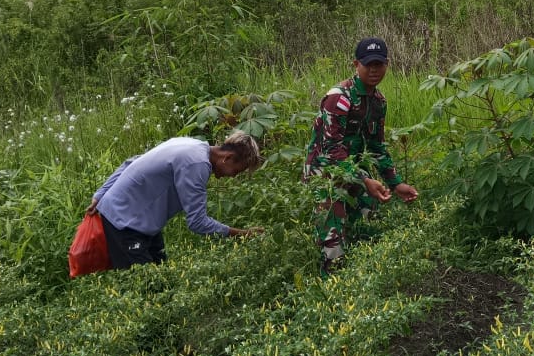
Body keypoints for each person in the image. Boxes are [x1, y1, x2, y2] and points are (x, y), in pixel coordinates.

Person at [303, 37, 418, 275]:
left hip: (352, 168)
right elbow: (331, 150)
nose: (374, 70)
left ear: (387, 64)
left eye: (379, 64)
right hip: (324, 171)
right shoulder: (339, 97)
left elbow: (376, 146)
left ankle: (365, 278)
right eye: (368, 65)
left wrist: (395, 183)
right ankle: (331, 285)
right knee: (332, 236)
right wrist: (365, 180)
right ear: (356, 64)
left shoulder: (378, 102)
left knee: (369, 218)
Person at [86, 132, 263, 268]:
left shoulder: (191, 144)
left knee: (162, 277)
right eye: (236, 171)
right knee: (147, 286)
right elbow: (197, 222)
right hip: (124, 222)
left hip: (142, 222)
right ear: (227, 158)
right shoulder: (197, 164)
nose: (233, 176)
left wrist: (100, 195)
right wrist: (243, 234)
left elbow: (131, 161)